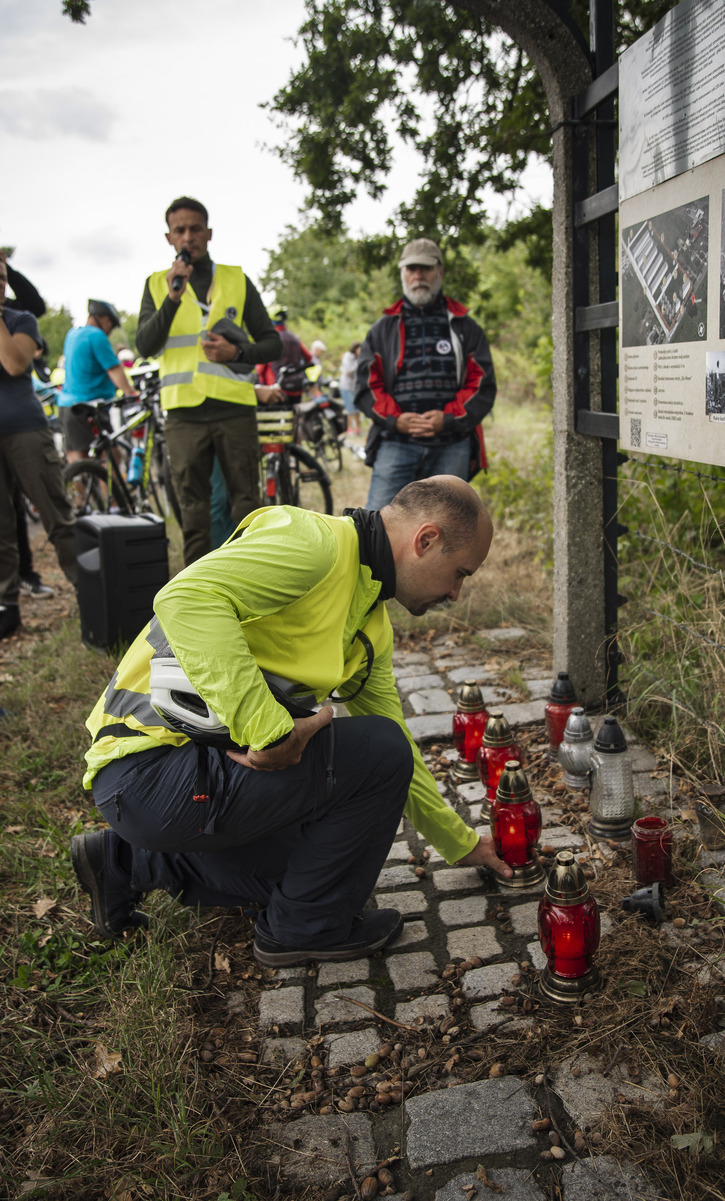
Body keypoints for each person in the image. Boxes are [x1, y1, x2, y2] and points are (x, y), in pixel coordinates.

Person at [70, 476, 512, 964]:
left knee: (320, 867)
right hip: (145, 769)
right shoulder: (315, 544)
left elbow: (402, 755)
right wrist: (269, 731)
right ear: (426, 540)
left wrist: (461, 843)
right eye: (460, 573)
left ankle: (121, 861)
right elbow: (185, 599)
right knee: (377, 752)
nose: (455, 593)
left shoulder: (370, 622)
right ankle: (305, 930)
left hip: (171, 781)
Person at [136, 197, 282, 566]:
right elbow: (146, 345)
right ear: (169, 237)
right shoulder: (157, 285)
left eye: (195, 228)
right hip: (183, 415)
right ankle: (198, 596)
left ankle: (251, 581)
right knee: (193, 515)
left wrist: (236, 353)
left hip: (234, 410)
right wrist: (173, 296)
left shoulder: (236, 279)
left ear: (209, 233)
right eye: (180, 230)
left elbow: (272, 343)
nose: (188, 237)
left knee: (247, 506)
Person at [356, 238, 496, 509]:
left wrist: (448, 418)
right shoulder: (381, 330)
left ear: (439, 271)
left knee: (448, 531)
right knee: (379, 528)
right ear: (402, 274)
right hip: (395, 443)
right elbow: (366, 385)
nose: (418, 275)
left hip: (452, 444)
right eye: (411, 269)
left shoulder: (466, 327)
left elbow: (481, 384)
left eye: (425, 268)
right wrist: (396, 419)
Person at [0, 258, 77, 640]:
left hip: (26, 431)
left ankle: (90, 589)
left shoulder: (19, 320)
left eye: (0, 278)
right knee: (1, 529)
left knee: (57, 516)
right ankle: (8, 607)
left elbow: (15, 365)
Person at [0, 252, 56, 598]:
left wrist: (8, 268)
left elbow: (14, 364)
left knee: (43, 508)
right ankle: (8, 599)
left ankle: (29, 576)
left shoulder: (17, 316)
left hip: (21, 424)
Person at [59, 300, 138, 464]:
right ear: (104, 319)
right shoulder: (96, 335)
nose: (109, 330)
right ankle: (105, 491)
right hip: (88, 406)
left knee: (76, 459)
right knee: (111, 458)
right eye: (111, 324)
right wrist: (131, 393)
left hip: (66, 405)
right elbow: (114, 369)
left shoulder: (71, 334)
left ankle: (78, 489)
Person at [339, 340, 362, 435]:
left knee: (357, 408)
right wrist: (359, 364)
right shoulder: (348, 356)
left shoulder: (358, 358)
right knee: (349, 409)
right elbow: (349, 370)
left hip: (355, 386)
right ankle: (349, 428)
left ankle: (358, 428)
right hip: (346, 386)